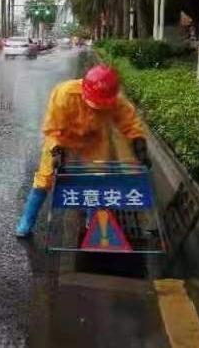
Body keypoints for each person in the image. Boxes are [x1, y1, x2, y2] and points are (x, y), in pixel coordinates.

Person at [16, 64, 151, 238]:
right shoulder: (65, 93)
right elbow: (53, 127)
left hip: (93, 142)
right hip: (62, 140)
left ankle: (92, 220)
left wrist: (139, 143)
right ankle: (27, 221)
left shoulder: (115, 98)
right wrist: (57, 151)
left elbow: (130, 122)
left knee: (95, 178)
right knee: (46, 177)